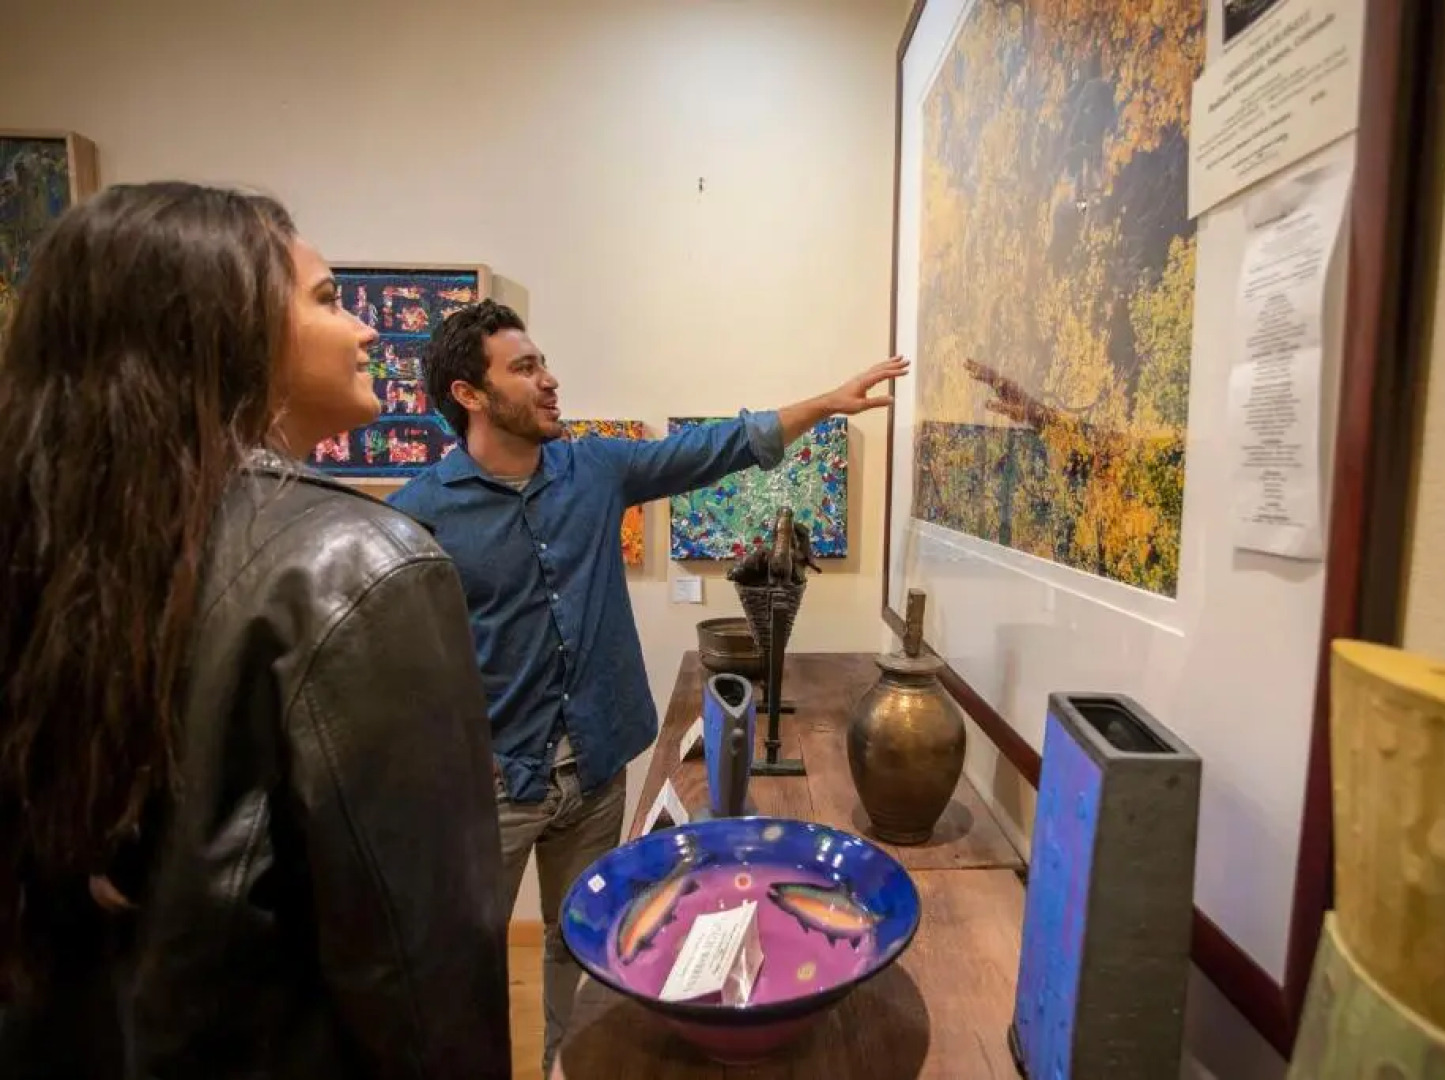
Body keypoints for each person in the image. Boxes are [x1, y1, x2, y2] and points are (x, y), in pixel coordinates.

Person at [0, 182, 511, 1079]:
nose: (364, 330)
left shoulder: (53, 546)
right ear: (220, 332)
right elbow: (421, 974)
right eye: (325, 300)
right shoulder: (362, 562)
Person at [386, 299, 907, 1072]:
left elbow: (714, 447)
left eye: (543, 361)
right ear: (469, 393)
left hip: (595, 771)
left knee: (579, 947)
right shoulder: (418, 517)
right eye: (524, 368)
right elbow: (404, 670)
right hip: (491, 789)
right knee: (457, 970)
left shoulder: (591, 469)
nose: (549, 379)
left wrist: (823, 404)